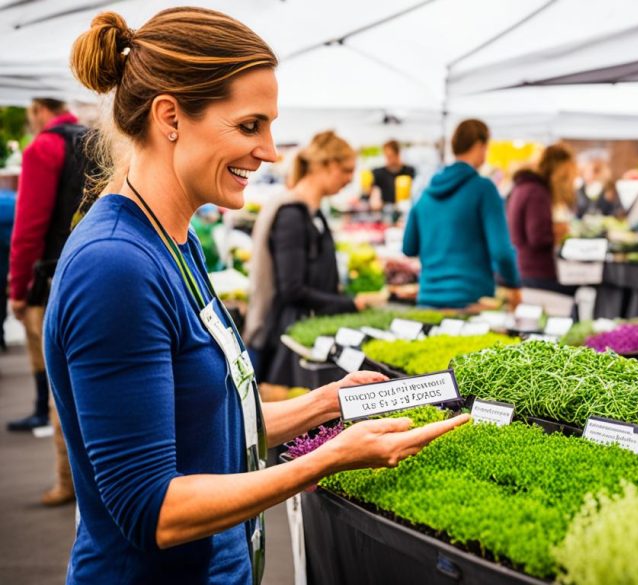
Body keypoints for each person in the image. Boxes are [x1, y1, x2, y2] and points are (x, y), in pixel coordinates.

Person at [50, 10, 467, 583]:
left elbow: (211, 425)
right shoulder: (115, 266)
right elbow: (153, 510)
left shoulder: (175, 240)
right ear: (169, 116)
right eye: (250, 126)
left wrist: (329, 403)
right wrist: (329, 459)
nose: (271, 151)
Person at [244, 130, 384, 384]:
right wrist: (351, 304)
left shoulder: (313, 212)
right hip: (289, 341)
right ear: (328, 165)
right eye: (347, 170)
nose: (350, 179)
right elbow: (293, 290)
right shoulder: (292, 215)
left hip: (304, 332)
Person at [7, 97, 90, 507]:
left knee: (64, 391)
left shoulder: (44, 146)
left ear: (38, 108)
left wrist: (18, 291)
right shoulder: (95, 138)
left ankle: (67, 481)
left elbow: (29, 226)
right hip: (93, 271)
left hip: (53, 279)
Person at [402, 119, 522, 309]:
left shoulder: (425, 194)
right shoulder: (484, 189)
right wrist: (514, 285)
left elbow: (409, 247)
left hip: (427, 301)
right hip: (471, 302)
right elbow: (501, 252)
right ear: (479, 145)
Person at [506, 142, 578, 294]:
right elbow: (538, 237)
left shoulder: (523, 186)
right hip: (538, 274)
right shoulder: (537, 192)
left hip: (524, 270)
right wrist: (558, 231)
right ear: (559, 170)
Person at [371, 139, 415, 205]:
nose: (388, 159)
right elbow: (369, 193)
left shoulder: (409, 171)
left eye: (390, 156)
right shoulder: (378, 173)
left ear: (398, 154)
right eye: (386, 156)